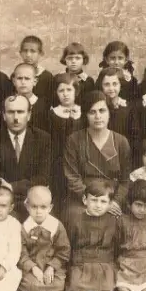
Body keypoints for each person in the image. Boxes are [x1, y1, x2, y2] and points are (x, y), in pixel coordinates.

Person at [62, 91, 132, 228]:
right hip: (83, 197)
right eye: (92, 112)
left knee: (119, 221)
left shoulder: (120, 141)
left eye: (102, 110)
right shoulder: (75, 140)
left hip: (112, 198)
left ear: (109, 113)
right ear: (86, 115)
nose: (98, 116)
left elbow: (125, 180)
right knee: (74, 216)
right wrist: (91, 200)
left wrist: (115, 202)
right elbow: (72, 177)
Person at [68, 178, 120, 291]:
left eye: (103, 201)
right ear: (85, 200)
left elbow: (118, 245)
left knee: (106, 290)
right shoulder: (76, 220)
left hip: (105, 262)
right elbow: (70, 244)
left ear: (110, 203)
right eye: (94, 200)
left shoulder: (114, 221)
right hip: (81, 261)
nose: (98, 205)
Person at [17, 186, 71, 291]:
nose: (38, 211)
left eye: (43, 207)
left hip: (52, 265)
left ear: (50, 207)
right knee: (33, 285)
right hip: (32, 265)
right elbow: (21, 252)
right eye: (34, 207)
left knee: (58, 285)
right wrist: (32, 267)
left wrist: (51, 267)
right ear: (27, 206)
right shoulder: (24, 227)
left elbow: (64, 250)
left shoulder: (56, 225)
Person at [0, 94, 51, 218]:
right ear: (3, 115)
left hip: (33, 199)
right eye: (11, 112)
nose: (16, 118)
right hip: (4, 200)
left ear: (29, 115)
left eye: (20, 112)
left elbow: (43, 177)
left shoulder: (43, 138)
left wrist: (13, 186)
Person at [47, 73, 86, 210]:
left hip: (80, 160)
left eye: (69, 90)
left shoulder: (83, 112)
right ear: (56, 93)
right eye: (61, 90)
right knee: (60, 195)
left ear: (76, 91)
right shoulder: (53, 114)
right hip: (59, 161)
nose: (65, 94)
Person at [99, 66, 139, 143]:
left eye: (115, 84)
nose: (111, 88)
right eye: (107, 84)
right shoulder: (98, 107)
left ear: (120, 85)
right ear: (101, 86)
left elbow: (134, 135)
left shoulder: (129, 108)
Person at [19, 35, 55, 107]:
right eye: (25, 51)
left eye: (33, 51)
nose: (28, 55)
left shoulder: (47, 77)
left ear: (40, 54)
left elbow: (50, 103)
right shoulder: (16, 75)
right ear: (20, 53)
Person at [10, 63, 48, 130]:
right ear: (14, 81)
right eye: (19, 78)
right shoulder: (8, 103)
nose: (23, 82)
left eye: (27, 78)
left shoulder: (45, 106)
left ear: (35, 81)